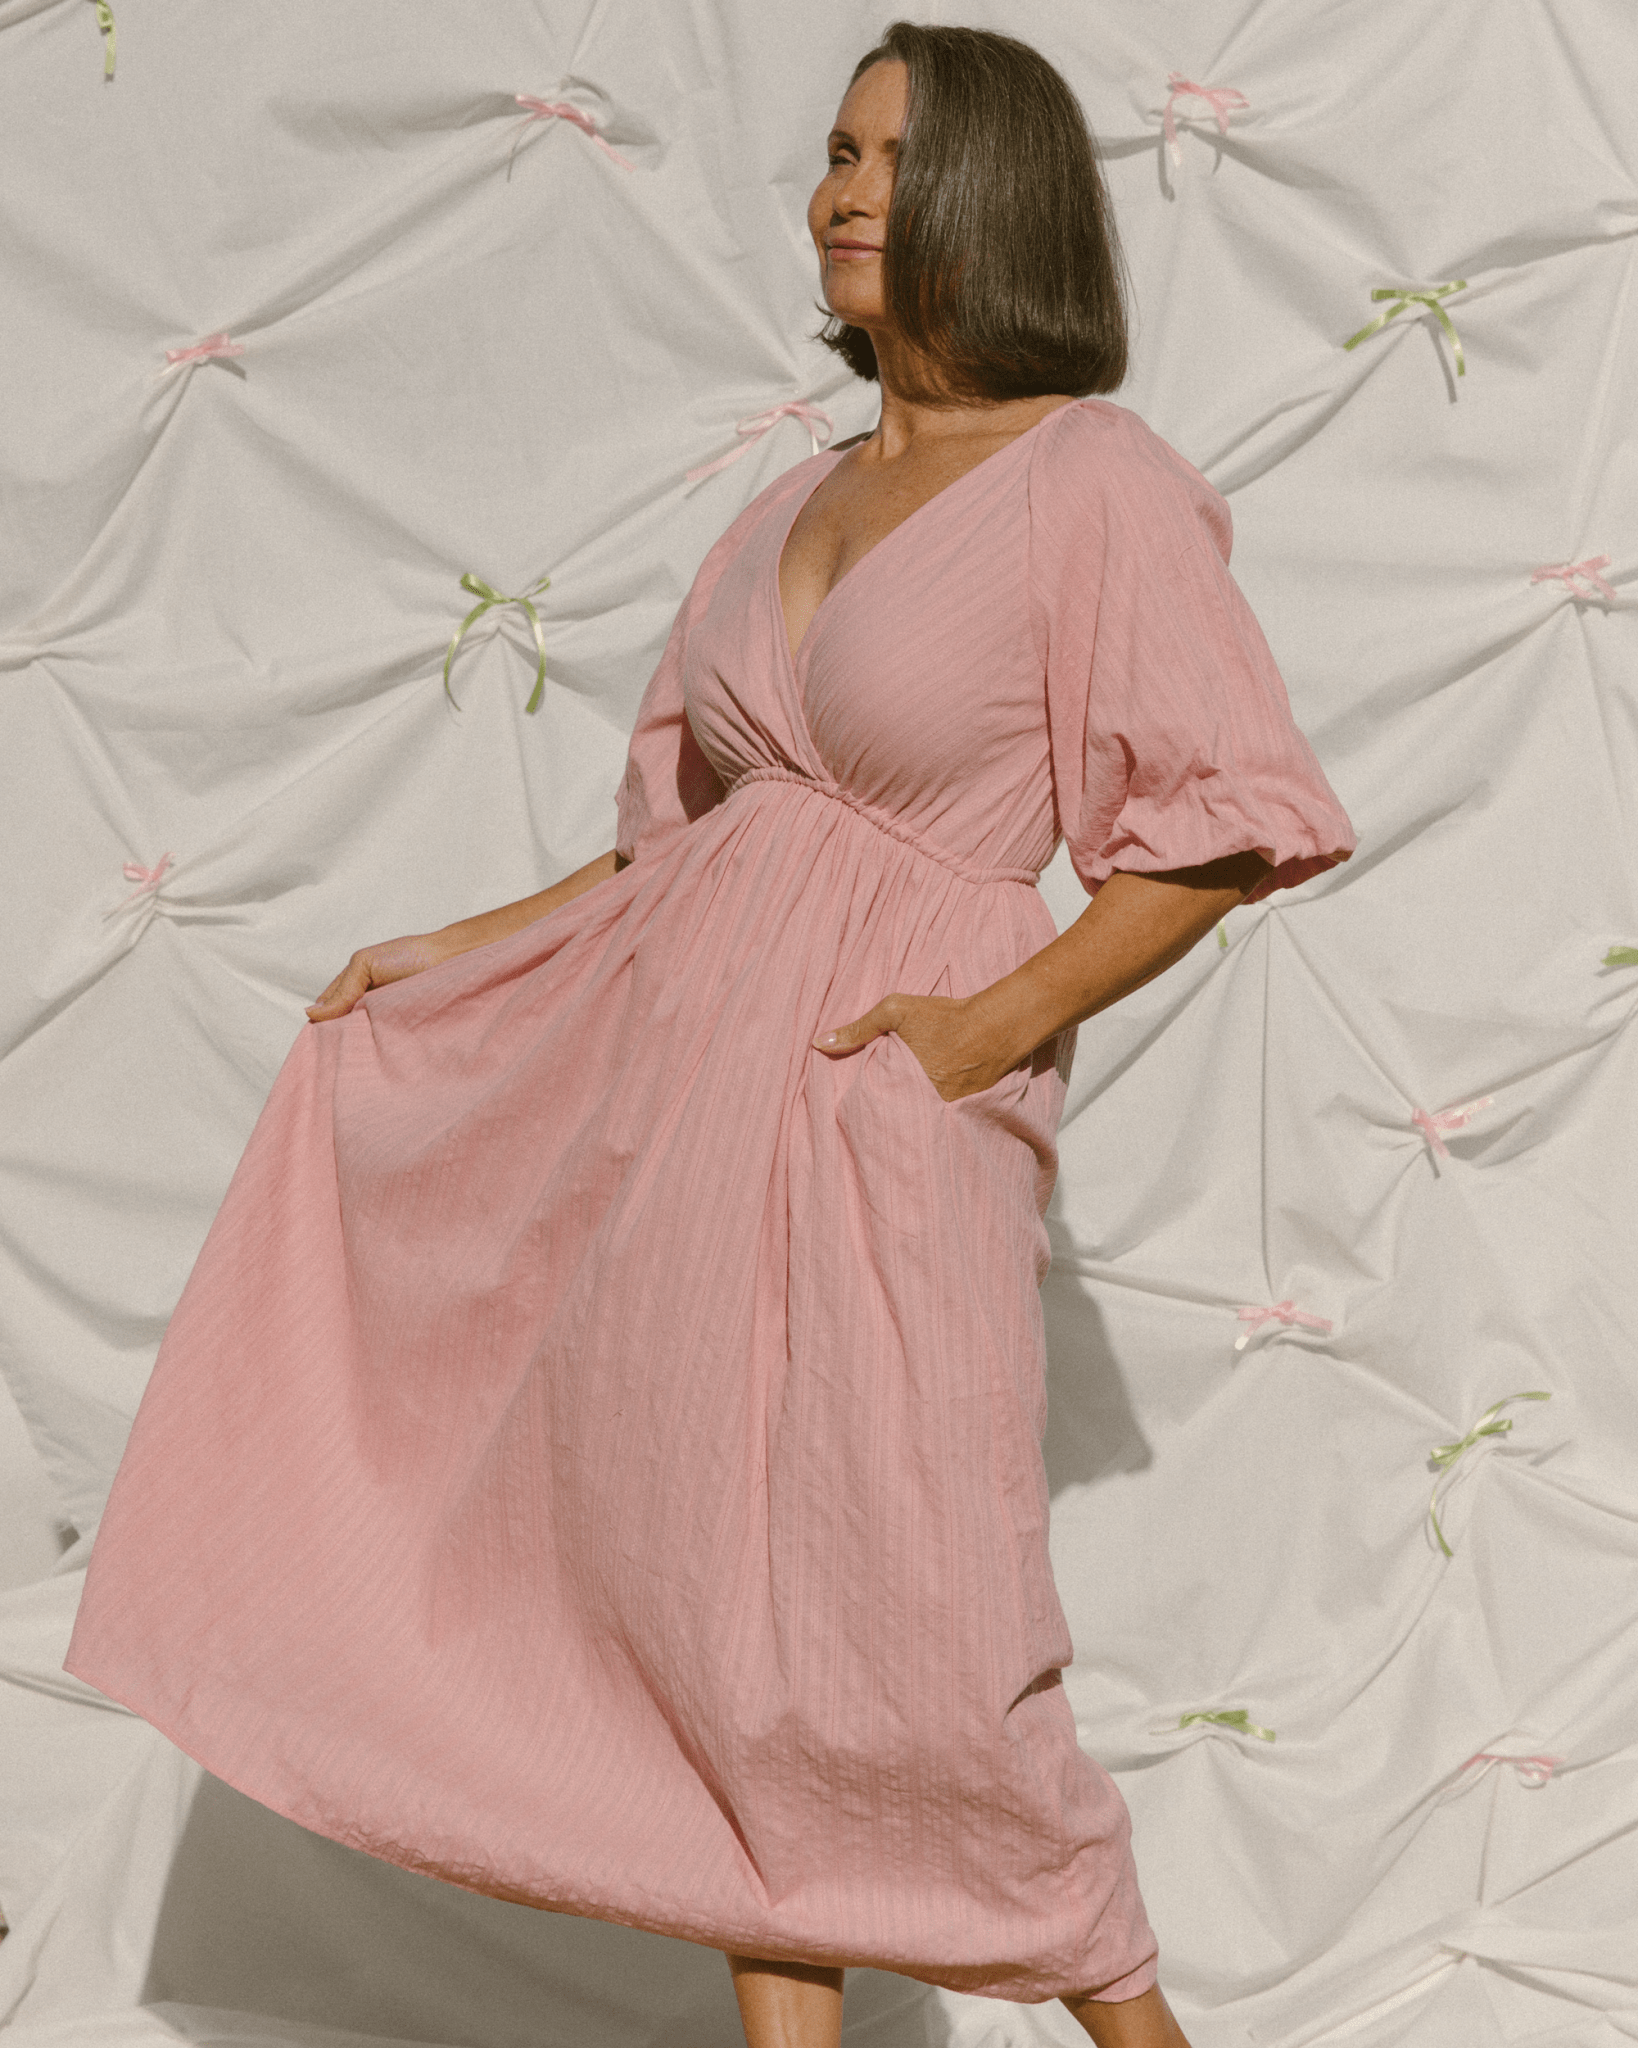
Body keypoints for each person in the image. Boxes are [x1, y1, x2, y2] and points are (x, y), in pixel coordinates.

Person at [67, 22, 1354, 2048]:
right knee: (723, 1665)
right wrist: (452, 949)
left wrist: (980, 1030)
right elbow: (681, 850)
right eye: (832, 153)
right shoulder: (784, 506)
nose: (841, 191)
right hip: (677, 1127)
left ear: (989, 197)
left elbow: (1225, 823)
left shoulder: (1089, 484)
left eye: (887, 157)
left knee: (936, 1653)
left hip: (882, 1117)